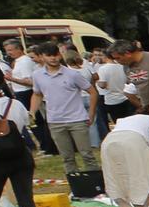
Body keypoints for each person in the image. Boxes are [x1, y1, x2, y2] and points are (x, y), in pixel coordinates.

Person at [30, 42, 98, 174]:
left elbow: (92, 91)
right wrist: (32, 111)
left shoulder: (72, 74)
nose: (53, 58)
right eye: (49, 55)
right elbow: (37, 94)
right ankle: (76, 184)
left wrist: (91, 113)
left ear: (60, 55)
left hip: (77, 119)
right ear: (42, 57)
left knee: (87, 155)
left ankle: (95, 184)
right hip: (55, 121)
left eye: (55, 55)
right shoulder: (37, 75)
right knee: (67, 157)